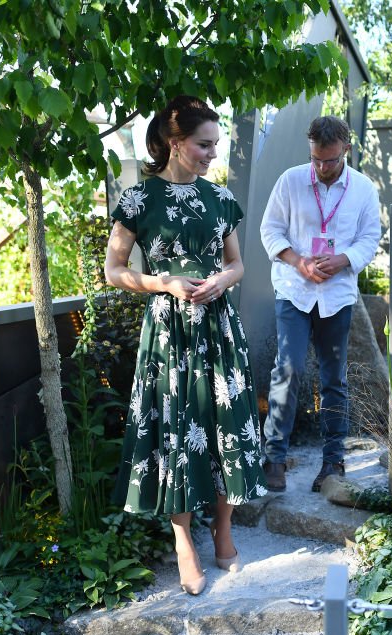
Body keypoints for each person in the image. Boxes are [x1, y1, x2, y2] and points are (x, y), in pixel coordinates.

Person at [106, 95, 267, 596]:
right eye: (204, 144)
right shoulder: (139, 200)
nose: (212, 153)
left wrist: (221, 281)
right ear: (175, 142)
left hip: (218, 329)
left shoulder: (220, 201)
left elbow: (238, 264)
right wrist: (162, 283)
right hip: (169, 333)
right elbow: (113, 271)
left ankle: (223, 528)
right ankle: (183, 543)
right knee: (177, 428)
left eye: (215, 144)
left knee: (226, 428)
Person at [259, 116, 382, 493]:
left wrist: (343, 259)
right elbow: (271, 230)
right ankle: (274, 459)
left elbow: (370, 238)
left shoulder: (363, 189)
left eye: (329, 160)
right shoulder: (290, 181)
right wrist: (299, 261)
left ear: (346, 147)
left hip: (337, 295)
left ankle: (333, 464)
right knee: (289, 368)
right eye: (316, 160)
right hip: (294, 291)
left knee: (335, 379)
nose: (322, 168)